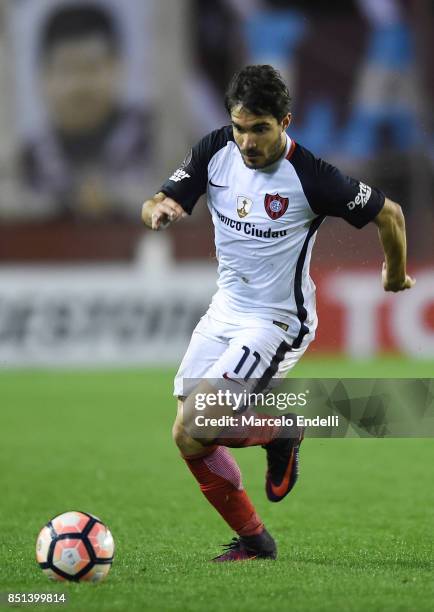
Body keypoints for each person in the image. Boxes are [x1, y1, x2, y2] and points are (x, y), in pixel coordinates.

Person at [141, 65, 415, 561]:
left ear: (285, 122)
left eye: (260, 128)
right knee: (186, 434)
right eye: (240, 127)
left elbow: (389, 213)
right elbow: (156, 200)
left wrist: (394, 274)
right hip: (224, 310)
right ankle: (254, 540)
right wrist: (159, 209)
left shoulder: (310, 176)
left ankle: (281, 432)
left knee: (199, 422)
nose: (247, 141)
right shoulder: (214, 150)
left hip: (276, 323)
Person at [21, 3, 152, 220]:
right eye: (67, 69)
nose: (79, 84)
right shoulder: (28, 162)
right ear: (43, 78)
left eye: (92, 67)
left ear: (117, 68)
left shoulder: (156, 141)